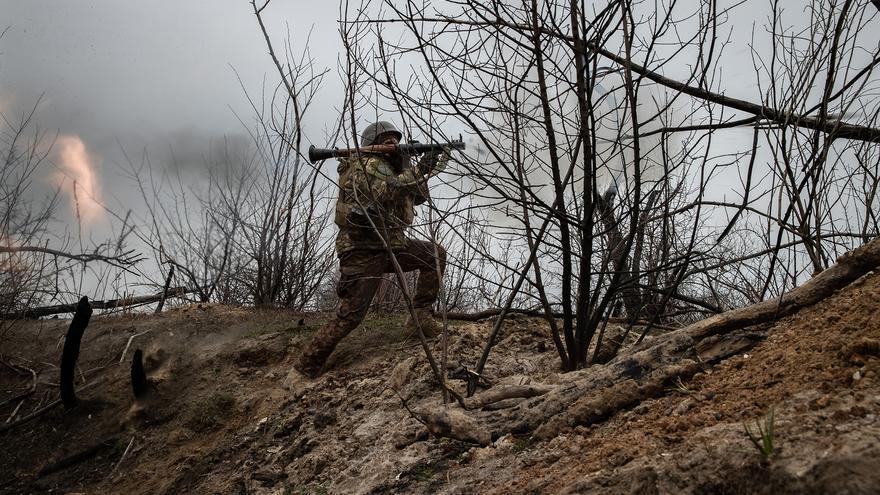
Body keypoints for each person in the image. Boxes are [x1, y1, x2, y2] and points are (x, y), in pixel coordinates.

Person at [294, 121, 449, 378]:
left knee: (434, 254)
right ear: (372, 145)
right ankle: (303, 368)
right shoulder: (361, 167)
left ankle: (419, 317)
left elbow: (418, 196)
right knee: (351, 316)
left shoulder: (391, 167)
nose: (393, 144)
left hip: (390, 244)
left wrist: (412, 166)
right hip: (362, 248)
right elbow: (382, 193)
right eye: (386, 140)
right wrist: (418, 168)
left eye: (395, 140)